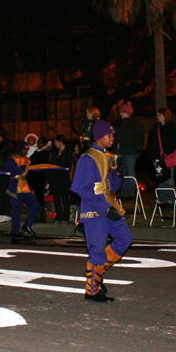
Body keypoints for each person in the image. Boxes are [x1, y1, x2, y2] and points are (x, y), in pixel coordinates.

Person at [71, 120, 134, 302]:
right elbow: (81, 189)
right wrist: (105, 209)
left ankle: (95, 272)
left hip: (108, 205)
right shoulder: (87, 158)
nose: (112, 138)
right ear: (99, 137)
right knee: (97, 250)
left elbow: (111, 186)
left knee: (125, 238)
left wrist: (118, 173)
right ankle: (92, 291)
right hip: (94, 209)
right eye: (109, 135)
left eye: (113, 135)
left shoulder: (108, 156)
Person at [5, 141, 39, 242]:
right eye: (25, 149)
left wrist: (31, 189)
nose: (26, 151)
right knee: (16, 210)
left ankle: (27, 225)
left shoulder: (27, 160)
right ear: (20, 149)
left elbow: (26, 176)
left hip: (25, 186)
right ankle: (15, 231)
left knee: (35, 205)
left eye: (27, 149)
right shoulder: (12, 159)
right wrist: (18, 169)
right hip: (15, 187)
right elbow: (7, 171)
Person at [146, 108, 176, 205]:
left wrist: (167, 152)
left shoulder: (172, 127)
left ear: (165, 116)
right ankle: (162, 198)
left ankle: (171, 198)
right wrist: (154, 155)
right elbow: (150, 142)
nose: (157, 117)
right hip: (158, 158)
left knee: (169, 178)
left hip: (168, 157)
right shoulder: (155, 128)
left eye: (159, 115)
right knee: (160, 178)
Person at [114, 101, 145, 199]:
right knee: (122, 172)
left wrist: (137, 149)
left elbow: (140, 137)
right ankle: (124, 191)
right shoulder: (119, 124)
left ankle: (129, 192)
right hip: (122, 151)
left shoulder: (134, 124)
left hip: (130, 152)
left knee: (129, 172)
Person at [48, 135, 73, 224]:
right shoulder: (55, 153)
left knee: (65, 199)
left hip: (63, 179)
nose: (55, 144)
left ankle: (65, 217)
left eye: (56, 142)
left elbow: (67, 165)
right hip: (55, 179)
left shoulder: (68, 152)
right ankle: (58, 216)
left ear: (61, 142)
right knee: (56, 198)